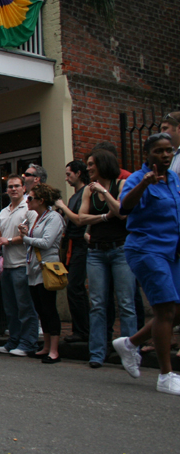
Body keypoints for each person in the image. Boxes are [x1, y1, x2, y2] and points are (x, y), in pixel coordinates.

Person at [114, 133, 180, 394]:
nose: (165, 155)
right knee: (164, 310)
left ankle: (130, 343)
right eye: (159, 151)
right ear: (147, 154)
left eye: (169, 151)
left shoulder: (174, 179)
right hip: (146, 249)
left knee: (177, 310)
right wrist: (144, 183)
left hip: (172, 250)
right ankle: (166, 375)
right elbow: (124, 208)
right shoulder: (136, 178)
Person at [78, 148, 137, 368]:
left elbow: (122, 212)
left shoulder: (121, 185)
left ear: (103, 164)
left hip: (120, 250)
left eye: (91, 164)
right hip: (95, 252)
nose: (88, 168)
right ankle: (97, 353)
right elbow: (82, 218)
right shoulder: (87, 191)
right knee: (97, 304)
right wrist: (104, 216)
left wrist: (104, 191)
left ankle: (130, 353)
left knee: (126, 303)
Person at [0, 175, 39, 357]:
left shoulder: (29, 209)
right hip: (7, 265)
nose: (13, 189)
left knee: (25, 306)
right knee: (10, 307)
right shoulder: (3, 212)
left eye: (17, 186)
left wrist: (8, 241)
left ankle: (28, 342)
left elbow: (31, 235)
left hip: (22, 263)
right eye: (10, 186)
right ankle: (14, 340)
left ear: (23, 188)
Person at [20, 184, 65, 363]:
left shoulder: (53, 217)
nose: (27, 201)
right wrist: (27, 236)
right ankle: (46, 346)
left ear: (41, 200)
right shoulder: (38, 218)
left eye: (30, 198)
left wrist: (25, 238)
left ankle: (54, 350)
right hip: (34, 267)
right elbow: (34, 242)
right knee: (40, 309)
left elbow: (46, 242)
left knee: (49, 308)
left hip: (46, 266)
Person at [54, 161, 90, 343]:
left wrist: (63, 206)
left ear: (79, 173)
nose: (67, 178)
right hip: (72, 246)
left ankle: (83, 330)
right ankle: (81, 328)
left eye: (69, 175)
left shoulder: (85, 193)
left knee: (75, 287)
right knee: (75, 288)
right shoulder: (75, 196)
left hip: (81, 246)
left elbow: (79, 220)